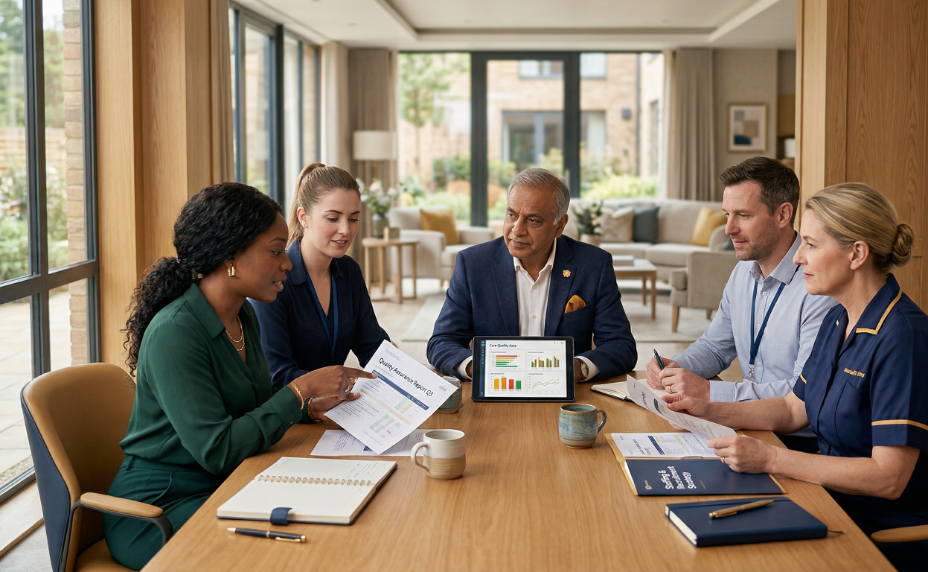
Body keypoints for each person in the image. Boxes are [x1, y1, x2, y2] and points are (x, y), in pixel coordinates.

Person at [663, 183, 928, 572]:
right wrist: (707, 411)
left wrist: (771, 457)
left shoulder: (905, 340)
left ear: (856, 253)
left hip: (892, 535)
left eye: (810, 244)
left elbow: (888, 478)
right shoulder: (839, 318)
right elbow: (794, 408)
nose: (797, 257)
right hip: (835, 502)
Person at [104, 183, 372, 570]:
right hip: (160, 509)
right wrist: (299, 391)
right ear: (230, 256)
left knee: (336, 521)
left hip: (231, 483)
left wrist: (308, 408)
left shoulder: (242, 315)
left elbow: (252, 410)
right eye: (275, 251)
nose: (287, 264)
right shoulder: (175, 331)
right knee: (294, 554)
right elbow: (218, 450)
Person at [644, 157, 834, 452]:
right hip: (745, 424)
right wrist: (677, 367)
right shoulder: (743, 271)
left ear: (783, 214)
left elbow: (800, 394)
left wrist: (710, 391)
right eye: (727, 214)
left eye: (743, 215)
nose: (728, 229)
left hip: (796, 441)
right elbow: (714, 347)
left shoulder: (819, 287)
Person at [427, 168, 637, 382]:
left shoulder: (593, 265)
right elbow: (441, 342)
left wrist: (577, 368)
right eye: (512, 215)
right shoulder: (473, 264)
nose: (517, 230)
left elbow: (621, 346)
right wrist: (479, 368)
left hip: (568, 393)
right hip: (496, 389)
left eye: (533, 220)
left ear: (560, 225)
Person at [251, 163, 390, 391]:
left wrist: (402, 372)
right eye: (333, 218)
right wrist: (340, 384)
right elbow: (277, 375)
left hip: (336, 403)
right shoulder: (273, 278)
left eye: (353, 219)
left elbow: (372, 346)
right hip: (290, 407)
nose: (346, 230)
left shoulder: (349, 270)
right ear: (303, 217)